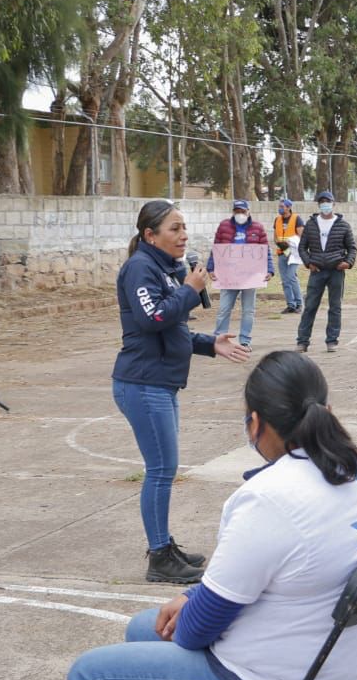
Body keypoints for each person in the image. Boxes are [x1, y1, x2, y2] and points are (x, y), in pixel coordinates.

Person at [69, 352, 357, 680]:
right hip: (338, 670)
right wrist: (195, 596)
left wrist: (196, 605)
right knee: (143, 629)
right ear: (324, 408)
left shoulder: (270, 498)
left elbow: (197, 632)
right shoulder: (356, 467)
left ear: (255, 423)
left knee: (88, 678)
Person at [113, 200, 251, 584]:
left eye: (184, 227)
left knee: (164, 469)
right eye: (174, 229)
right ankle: (159, 557)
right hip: (142, 384)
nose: (183, 235)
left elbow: (173, 328)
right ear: (150, 235)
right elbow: (153, 317)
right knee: (160, 470)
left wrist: (210, 344)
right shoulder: (140, 268)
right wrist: (190, 290)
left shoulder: (164, 268)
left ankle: (165, 545)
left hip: (160, 383)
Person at [296, 190, 357, 353]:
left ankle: (332, 340)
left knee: (335, 307)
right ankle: (302, 341)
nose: (325, 205)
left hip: (336, 271)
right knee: (310, 306)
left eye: (327, 202)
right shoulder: (311, 224)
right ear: (318, 205)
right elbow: (302, 247)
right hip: (316, 271)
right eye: (322, 202)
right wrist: (308, 263)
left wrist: (348, 262)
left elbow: (352, 248)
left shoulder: (343, 225)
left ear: (333, 204)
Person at [208, 199, 273, 350]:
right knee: (224, 308)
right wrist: (211, 268)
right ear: (233, 212)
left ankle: (245, 340)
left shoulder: (258, 228)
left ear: (248, 212)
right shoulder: (224, 226)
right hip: (228, 275)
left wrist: (269, 270)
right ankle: (219, 338)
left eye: (243, 211)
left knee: (248, 310)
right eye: (237, 211)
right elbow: (216, 248)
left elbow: (265, 251)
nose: (240, 214)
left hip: (250, 276)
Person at [273, 198, 304, 313]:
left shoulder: (297, 219)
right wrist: (280, 244)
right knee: (285, 280)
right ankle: (290, 304)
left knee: (291, 277)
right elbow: (275, 236)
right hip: (282, 252)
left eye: (282, 206)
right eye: (279, 206)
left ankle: (299, 303)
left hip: (294, 254)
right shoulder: (277, 220)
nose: (280, 208)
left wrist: (291, 244)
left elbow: (302, 236)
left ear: (289, 207)